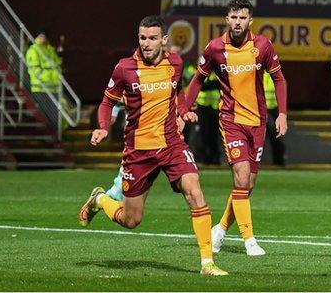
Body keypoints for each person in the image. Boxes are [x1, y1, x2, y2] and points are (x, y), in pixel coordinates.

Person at [78, 16, 227, 276]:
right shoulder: (124, 68)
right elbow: (106, 102)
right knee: (131, 220)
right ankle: (100, 200)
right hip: (138, 152)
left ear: (164, 40)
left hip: (171, 144)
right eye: (143, 38)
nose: (147, 43)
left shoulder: (176, 63)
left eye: (152, 38)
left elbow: (176, 91)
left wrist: (183, 109)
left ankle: (207, 263)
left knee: (194, 191)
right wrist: (103, 126)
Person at [183, 0, 288, 256]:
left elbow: (279, 79)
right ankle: (249, 240)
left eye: (243, 18)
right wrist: (183, 109)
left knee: (247, 185)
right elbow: (197, 80)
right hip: (231, 121)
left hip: (259, 123)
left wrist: (282, 113)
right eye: (234, 17)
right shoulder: (215, 48)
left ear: (250, 21)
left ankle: (219, 230)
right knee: (241, 178)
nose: (238, 22)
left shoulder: (263, 45)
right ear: (226, 19)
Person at [25, 30, 62, 95]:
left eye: (45, 36)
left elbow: (57, 65)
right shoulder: (33, 50)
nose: (43, 38)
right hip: (40, 87)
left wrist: (58, 75)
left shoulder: (50, 50)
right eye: (41, 36)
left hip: (53, 87)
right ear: (36, 37)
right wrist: (44, 77)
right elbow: (33, 69)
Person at [264, 72, 286, 166]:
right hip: (261, 110)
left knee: (275, 135)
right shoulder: (257, 73)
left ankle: (279, 159)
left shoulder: (276, 75)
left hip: (273, 110)